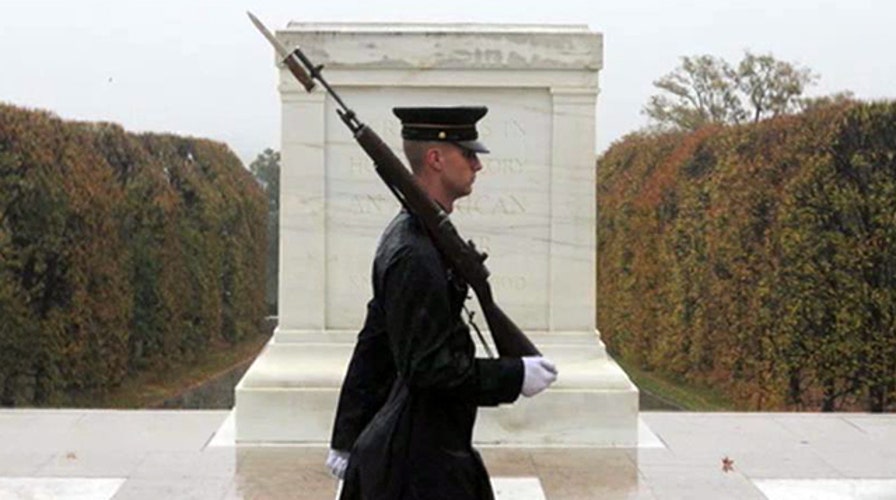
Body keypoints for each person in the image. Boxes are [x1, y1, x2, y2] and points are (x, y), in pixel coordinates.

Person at [325, 106, 558, 500]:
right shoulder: (414, 252)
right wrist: (511, 375)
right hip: (419, 467)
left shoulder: (416, 238)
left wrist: (348, 433)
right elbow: (428, 370)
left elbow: (375, 341)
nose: (476, 165)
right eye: (468, 153)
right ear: (435, 158)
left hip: (428, 451)